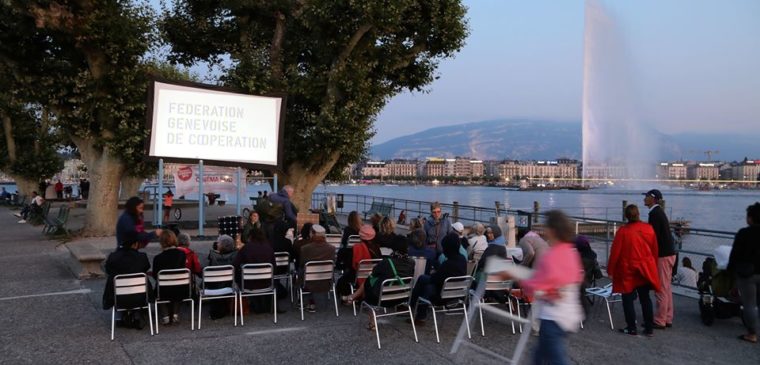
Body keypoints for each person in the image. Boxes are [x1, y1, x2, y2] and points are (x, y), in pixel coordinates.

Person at [496, 210, 583, 365]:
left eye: (547, 227)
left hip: (553, 316)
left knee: (555, 358)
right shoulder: (571, 252)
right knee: (540, 354)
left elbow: (535, 285)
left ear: (553, 230)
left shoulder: (552, 256)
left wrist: (514, 275)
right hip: (569, 314)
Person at [608, 204, 660, 336]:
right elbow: (654, 250)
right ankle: (649, 328)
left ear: (626, 216)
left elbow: (615, 253)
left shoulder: (623, 231)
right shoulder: (649, 229)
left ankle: (631, 327)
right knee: (645, 298)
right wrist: (652, 266)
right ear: (638, 214)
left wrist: (611, 270)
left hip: (628, 269)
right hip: (644, 268)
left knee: (627, 299)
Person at [348, 238, 415, 331]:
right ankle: (352, 297)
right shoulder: (412, 262)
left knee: (369, 282)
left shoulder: (387, 262)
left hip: (382, 299)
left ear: (393, 248)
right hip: (402, 298)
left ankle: (372, 323)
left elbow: (374, 273)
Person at [411, 233, 467, 325]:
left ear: (447, 248)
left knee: (425, 283)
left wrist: (435, 271)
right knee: (425, 282)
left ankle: (413, 305)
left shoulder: (448, 264)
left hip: (443, 296)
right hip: (457, 294)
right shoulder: (462, 260)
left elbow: (435, 279)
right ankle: (418, 313)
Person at [727, 202, 760, 344]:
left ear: (751, 218)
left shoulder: (744, 233)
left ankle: (752, 334)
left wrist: (730, 274)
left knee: (749, 304)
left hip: (748, 275)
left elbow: (734, 256)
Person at [643, 189, 676, 329]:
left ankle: (660, 320)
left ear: (653, 199)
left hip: (662, 255)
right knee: (666, 287)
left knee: (660, 288)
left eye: (646, 197)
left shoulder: (654, 214)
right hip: (669, 253)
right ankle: (668, 317)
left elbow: (653, 237)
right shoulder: (659, 212)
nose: (644, 199)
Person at [102, 239, 152, 330]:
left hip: (118, 297)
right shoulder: (142, 257)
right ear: (135, 244)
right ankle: (136, 315)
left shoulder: (113, 257)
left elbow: (108, 271)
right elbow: (146, 268)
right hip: (140, 296)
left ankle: (119, 317)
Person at [234, 227, 277, 314]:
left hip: (249, 283)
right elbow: (274, 267)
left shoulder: (246, 248)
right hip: (267, 282)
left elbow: (235, 264)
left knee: (239, 274)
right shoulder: (268, 248)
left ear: (250, 237)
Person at [152, 230, 187, 325]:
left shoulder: (158, 258)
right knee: (178, 286)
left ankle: (165, 316)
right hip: (180, 288)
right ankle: (175, 314)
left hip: (164, 290)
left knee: (159, 288)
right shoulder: (182, 254)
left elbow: (156, 276)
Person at [298, 224, 336, 312]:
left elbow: (301, 264)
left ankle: (304, 301)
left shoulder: (305, 248)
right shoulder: (332, 248)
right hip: (326, 281)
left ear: (312, 234)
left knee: (301, 270)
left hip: (308, 281)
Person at [338, 224, 382, 300]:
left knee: (341, 281)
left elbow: (350, 265)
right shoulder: (377, 248)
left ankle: (348, 298)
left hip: (357, 277)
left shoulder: (356, 248)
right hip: (372, 277)